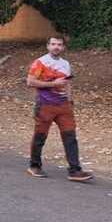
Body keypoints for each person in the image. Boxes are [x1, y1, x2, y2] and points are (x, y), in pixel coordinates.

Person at [26, 36, 93, 181]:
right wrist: (52, 84)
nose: (56, 47)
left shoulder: (65, 64)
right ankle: (34, 166)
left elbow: (67, 83)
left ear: (63, 47)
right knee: (40, 136)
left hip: (64, 107)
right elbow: (30, 82)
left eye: (59, 44)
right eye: (53, 44)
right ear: (48, 46)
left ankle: (75, 171)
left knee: (70, 137)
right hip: (45, 105)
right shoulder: (40, 62)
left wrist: (70, 101)